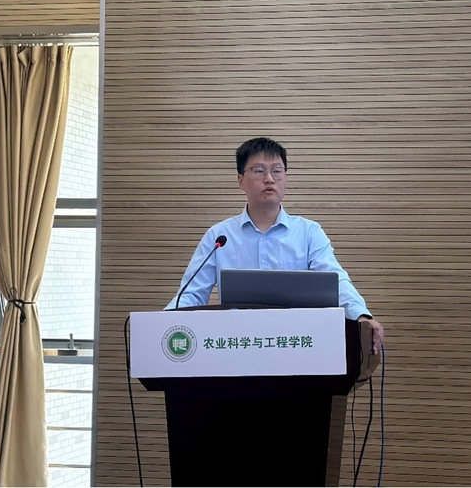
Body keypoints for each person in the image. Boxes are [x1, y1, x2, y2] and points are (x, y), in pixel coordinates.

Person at [165, 137, 384, 353]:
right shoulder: (219, 236)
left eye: (277, 171)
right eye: (259, 170)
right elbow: (191, 294)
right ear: (240, 180)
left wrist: (361, 314)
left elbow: (337, 282)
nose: (269, 179)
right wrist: (163, 321)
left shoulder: (308, 233)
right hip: (238, 346)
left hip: (296, 345)